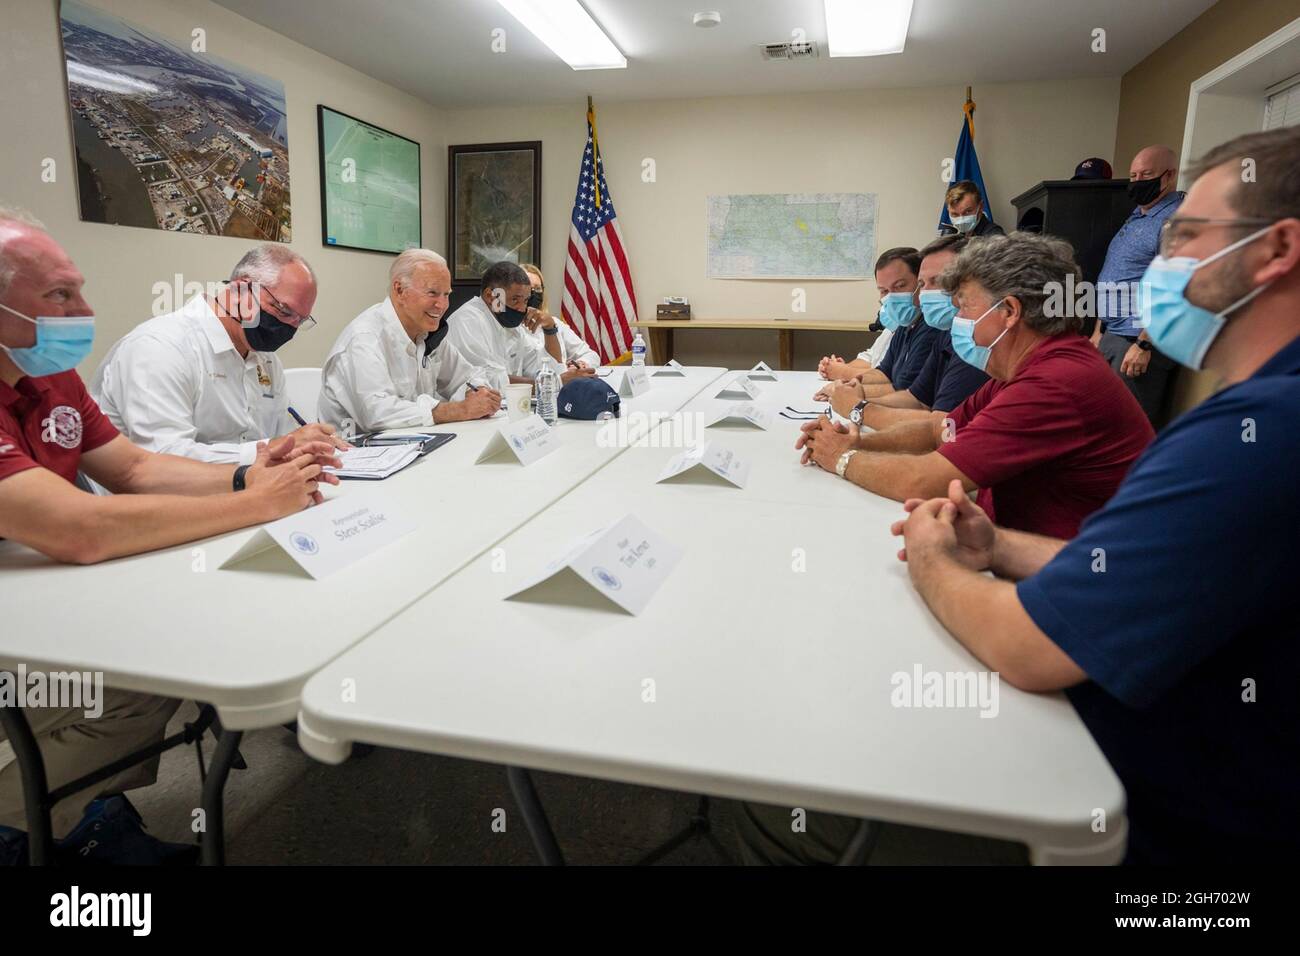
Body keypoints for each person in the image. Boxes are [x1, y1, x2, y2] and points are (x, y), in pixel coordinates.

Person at [892, 126, 1300, 864]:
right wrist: (1001, 544)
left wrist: (931, 555)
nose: (1157, 267)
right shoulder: (1253, 414)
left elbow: (1026, 648)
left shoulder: (1261, 433)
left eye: (1185, 237)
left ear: (1276, 249)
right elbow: (1146, 574)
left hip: (1188, 838)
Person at [0, 208, 339, 865]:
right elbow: (79, 530)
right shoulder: (163, 347)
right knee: (135, 677)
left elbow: (133, 468)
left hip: (40, 594)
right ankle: (29, 827)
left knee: (156, 669)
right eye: (59, 295)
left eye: (79, 289)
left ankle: (72, 817)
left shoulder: (49, 376)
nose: (82, 311)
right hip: (27, 614)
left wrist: (249, 475)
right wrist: (259, 503)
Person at [797, 233, 1153, 540]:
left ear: (1010, 311)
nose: (958, 321)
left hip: (1071, 580)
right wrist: (858, 441)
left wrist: (840, 457)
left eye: (965, 307)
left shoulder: (1055, 382)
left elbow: (924, 480)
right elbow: (941, 429)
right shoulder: (1024, 370)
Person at [91, 244, 346, 463]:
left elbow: (281, 436)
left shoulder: (265, 360)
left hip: (244, 493)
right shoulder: (160, 348)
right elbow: (165, 459)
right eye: (283, 311)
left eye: (300, 321)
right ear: (241, 291)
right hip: (159, 507)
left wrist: (310, 445)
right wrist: (273, 449)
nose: (289, 327)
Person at [318, 249, 500, 433]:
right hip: (358, 453)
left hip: (415, 445)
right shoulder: (364, 339)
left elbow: (468, 376)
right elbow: (377, 414)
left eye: (446, 294)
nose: (442, 305)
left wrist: (478, 393)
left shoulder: (427, 333)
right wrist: (459, 410)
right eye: (432, 293)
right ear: (399, 290)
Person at [820, 235, 987, 426]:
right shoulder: (945, 332)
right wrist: (857, 398)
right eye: (924, 285)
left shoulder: (976, 340)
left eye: (940, 281)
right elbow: (915, 399)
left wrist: (858, 409)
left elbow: (943, 429)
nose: (924, 295)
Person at [1091, 144, 1185, 422]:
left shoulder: (1176, 219)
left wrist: (1144, 345)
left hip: (1137, 341)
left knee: (1128, 427)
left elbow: (1174, 287)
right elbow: (1116, 274)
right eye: (1133, 176)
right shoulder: (1140, 214)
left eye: (1146, 174)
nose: (1137, 182)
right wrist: (1100, 329)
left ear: (1169, 176)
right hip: (1112, 334)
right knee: (1102, 422)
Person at [442, 261, 594, 391]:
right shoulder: (468, 321)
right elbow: (488, 382)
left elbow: (545, 368)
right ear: (490, 296)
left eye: (526, 300)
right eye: (515, 299)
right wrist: (554, 383)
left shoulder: (508, 322)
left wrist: (550, 329)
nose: (522, 308)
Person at [816, 248, 937, 391]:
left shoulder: (930, 328)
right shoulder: (905, 326)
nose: (891, 297)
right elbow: (883, 373)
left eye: (899, 286)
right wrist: (844, 379)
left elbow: (903, 389)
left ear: (921, 283)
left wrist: (847, 380)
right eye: (884, 291)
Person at [520, 263, 599, 368]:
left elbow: (591, 355)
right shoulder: (509, 326)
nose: (533, 293)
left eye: (538, 288)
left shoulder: (554, 323)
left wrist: (581, 364)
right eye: (529, 288)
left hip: (562, 383)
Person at [938, 180, 1004, 238]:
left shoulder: (995, 237)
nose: (961, 220)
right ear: (948, 210)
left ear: (981, 207)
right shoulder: (951, 235)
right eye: (955, 214)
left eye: (967, 211)